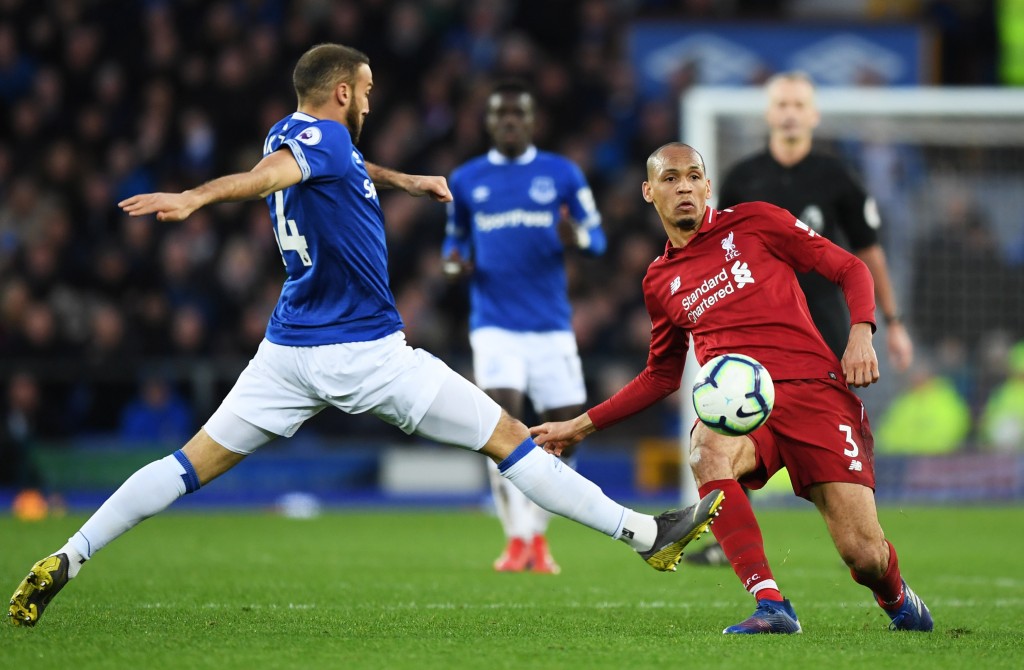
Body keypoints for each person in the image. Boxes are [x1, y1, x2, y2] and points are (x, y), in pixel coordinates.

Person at [7, 45, 725, 628]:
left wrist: (404, 180)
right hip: (367, 354)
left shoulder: (299, 133)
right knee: (509, 439)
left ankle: (70, 555)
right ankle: (646, 536)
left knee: (187, 464)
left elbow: (324, 165)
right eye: (368, 90)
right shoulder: (311, 142)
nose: (374, 101)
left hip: (285, 355)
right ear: (344, 93)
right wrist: (195, 197)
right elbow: (271, 177)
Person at [531, 143, 933, 634]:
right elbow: (660, 375)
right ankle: (771, 604)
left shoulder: (757, 223)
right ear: (648, 191)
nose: (683, 186)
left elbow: (851, 267)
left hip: (815, 393)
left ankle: (897, 598)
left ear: (707, 185)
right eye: (671, 177)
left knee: (863, 554)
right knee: (706, 449)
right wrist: (579, 425)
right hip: (742, 410)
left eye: (693, 176)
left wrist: (861, 332)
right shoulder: (660, 281)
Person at [687, 70, 914, 567]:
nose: (789, 112)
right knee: (725, 417)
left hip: (825, 328)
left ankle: (854, 518)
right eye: (782, 104)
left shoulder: (836, 177)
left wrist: (888, 323)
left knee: (825, 431)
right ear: (769, 113)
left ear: (812, 114)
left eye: (798, 104)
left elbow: (867, 254)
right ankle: (735, 543)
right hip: (758, 331)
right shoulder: (744, 177)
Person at [442, 81, 607, 574]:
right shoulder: (467, 180)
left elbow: (597, 238)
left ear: (533, 121)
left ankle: (535, 534)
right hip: (494, 325)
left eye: (518, 114)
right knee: (501, 426)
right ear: (489, 122)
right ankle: (516, 539)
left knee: (569, 434)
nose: (510, 121)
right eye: (500, 114)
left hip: (551, 326)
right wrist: (455, 264)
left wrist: (573, 234)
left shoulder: (561, 173)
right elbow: (453, 246)